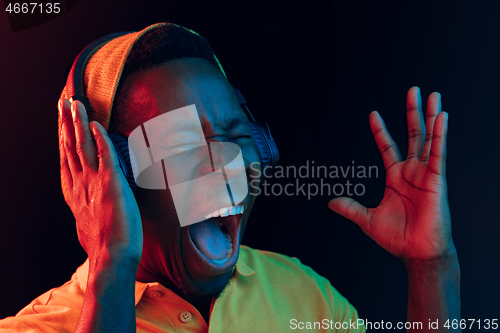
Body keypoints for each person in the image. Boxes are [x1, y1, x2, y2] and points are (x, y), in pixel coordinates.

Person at [0, 23, 460, 332]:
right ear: (106, 174)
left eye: (236, 135)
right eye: (180, 147)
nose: (223, 164)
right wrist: (112, 265)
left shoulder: (305, 298)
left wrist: (432, 268)